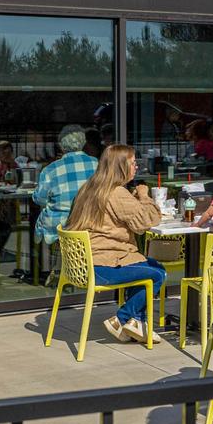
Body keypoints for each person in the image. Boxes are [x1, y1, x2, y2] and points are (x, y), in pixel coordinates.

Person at [65, 144, 166, 344]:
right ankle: (122, 319)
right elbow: (145, 222)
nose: (136, 167)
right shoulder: (117, 192)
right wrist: (144, 196)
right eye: (133, 163)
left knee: (148, 265)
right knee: (157, 274)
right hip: (103, 266)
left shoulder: (88, 188)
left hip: (83, 264)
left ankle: (135, 324)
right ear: (121, 166)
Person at [33, 125, 98, 247]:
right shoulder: (97, 164)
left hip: (59, 231)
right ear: (84, 142)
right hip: (91, 227)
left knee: (43, 226)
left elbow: (40, 199)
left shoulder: (50, 169)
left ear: (61, 146)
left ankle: (44, 258)